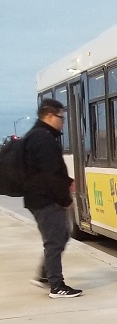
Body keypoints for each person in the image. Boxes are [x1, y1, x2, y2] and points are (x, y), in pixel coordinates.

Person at [23, 99, 82, 298]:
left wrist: (67, 181)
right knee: (55, 240)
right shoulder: (43, 139)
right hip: (45, 199)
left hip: (39, 197)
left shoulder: (39, 136)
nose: (62, 122)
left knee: (60, 236)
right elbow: (51, 173)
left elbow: (47, 170)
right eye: (61, 118)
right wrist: (65, 199)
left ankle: (45, 275)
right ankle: (57, 286)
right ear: (49, 115)